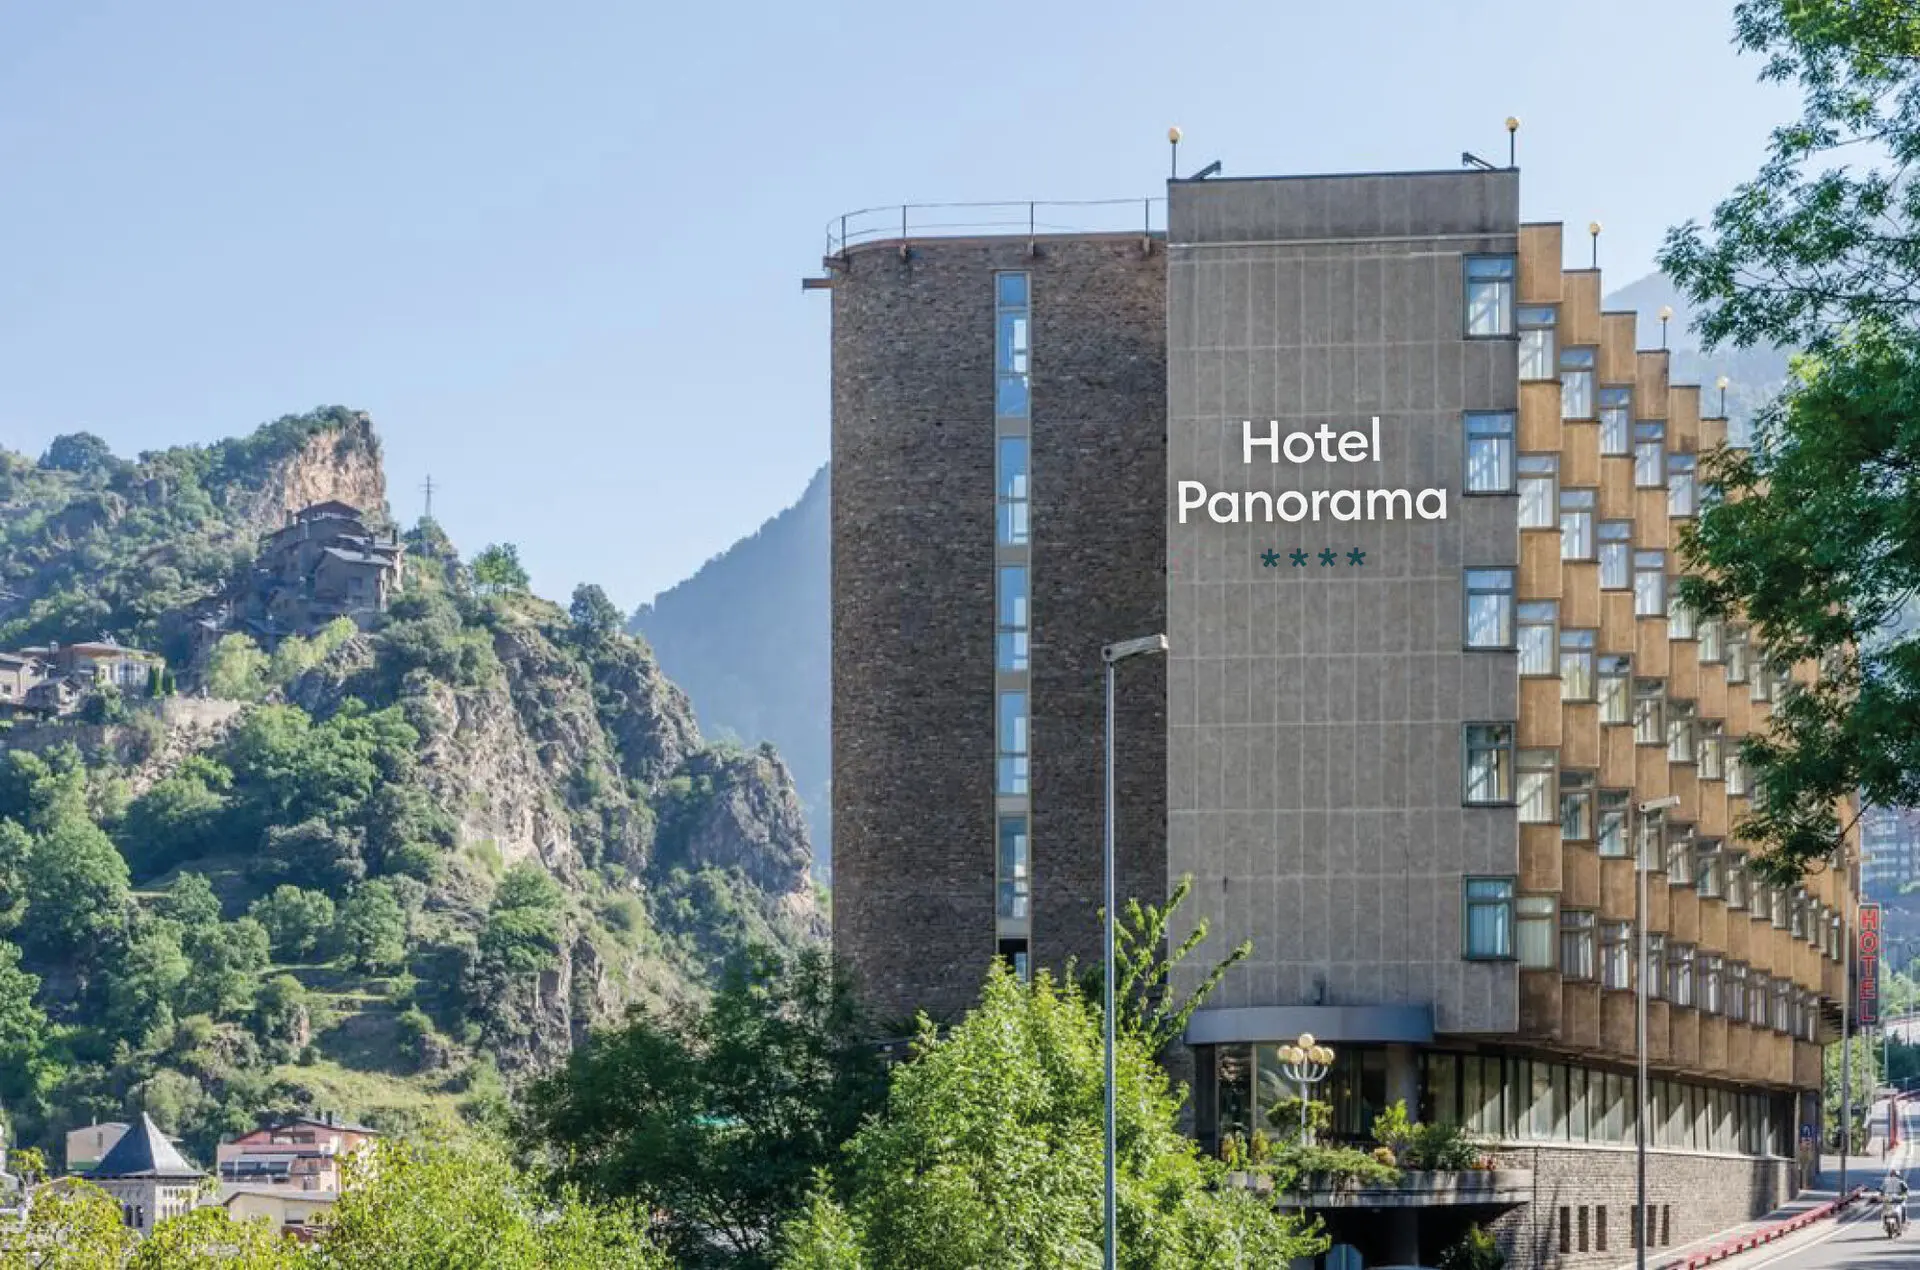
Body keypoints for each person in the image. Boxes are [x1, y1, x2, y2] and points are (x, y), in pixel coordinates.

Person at [1885, 1168, 1910, 1234]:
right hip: (1891, 1201)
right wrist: (1881, 1196)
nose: (1893, 1177)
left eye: (1895, 1175)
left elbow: (1906, 1191)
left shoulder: (1902, 1183)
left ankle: (1903, 1222)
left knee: (1903, 1207)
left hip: (1900, 1200)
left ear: (1897, 1176)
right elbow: (1883, 1191)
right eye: (1892, 1175)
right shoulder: (1887, 1183)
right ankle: (1885, 1223)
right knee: (1885, 1210)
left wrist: (1904, 1196)